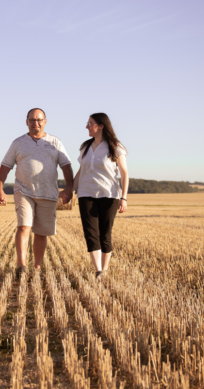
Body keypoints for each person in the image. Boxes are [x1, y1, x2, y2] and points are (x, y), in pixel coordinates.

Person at [0, 108, 73, 278]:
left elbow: (66, 166)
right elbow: (4, 167)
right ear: (26, 122)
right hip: (24, 191)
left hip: (48, 193)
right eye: (32, 120)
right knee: (23, 226)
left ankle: (37, 268)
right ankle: (21, 267)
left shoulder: (55, 142)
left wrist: (69, 188)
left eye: (39, 120)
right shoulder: (18, 143)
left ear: (45, 121)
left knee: (41, 232)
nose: (35, 123)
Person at [73, 113, 129, 281]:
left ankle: (104, 269)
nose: (87, 126)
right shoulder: (85, 147)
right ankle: (98, 271)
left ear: (101, 125)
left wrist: (123, 197)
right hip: (85, 195)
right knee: (91, 233)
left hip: (109, 195)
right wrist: (70, 189)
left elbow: (125, 173)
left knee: (105, 234)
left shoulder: (115, 146)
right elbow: (80, 171)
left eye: (90, 123)